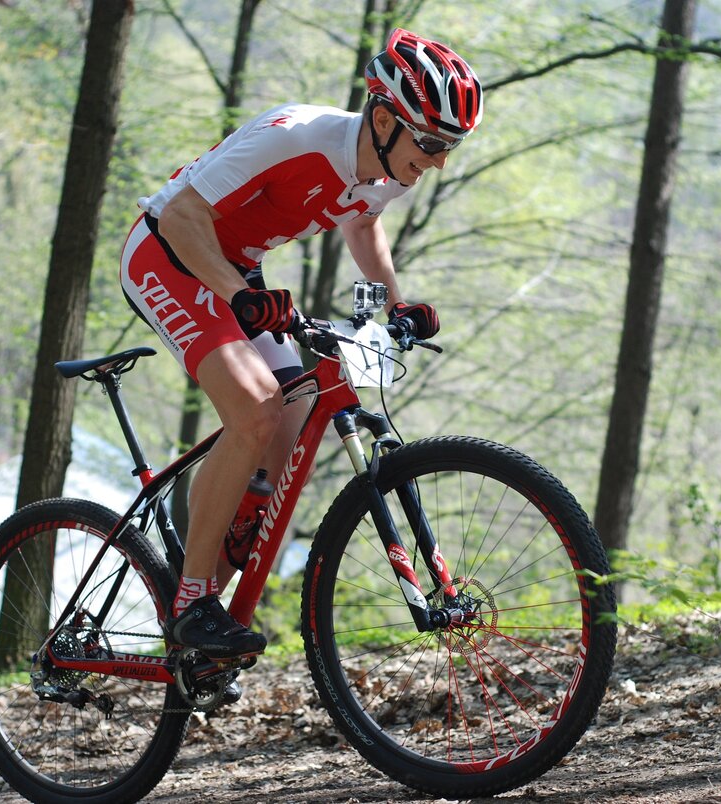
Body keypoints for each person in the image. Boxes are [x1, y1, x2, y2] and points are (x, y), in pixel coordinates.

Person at [119, 28, 483, 660]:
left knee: (288, 426)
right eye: (429, 143)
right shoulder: (294, 137)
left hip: (236, 268)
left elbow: (363, 223)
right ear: (382, 116)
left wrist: (395, 305)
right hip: (168, 251)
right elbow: (181, 216)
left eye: (449, 147)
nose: (437, 161)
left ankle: (210, 588)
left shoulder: (394, 167)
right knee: (257, 407)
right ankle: (191, 604)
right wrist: (238, 296)